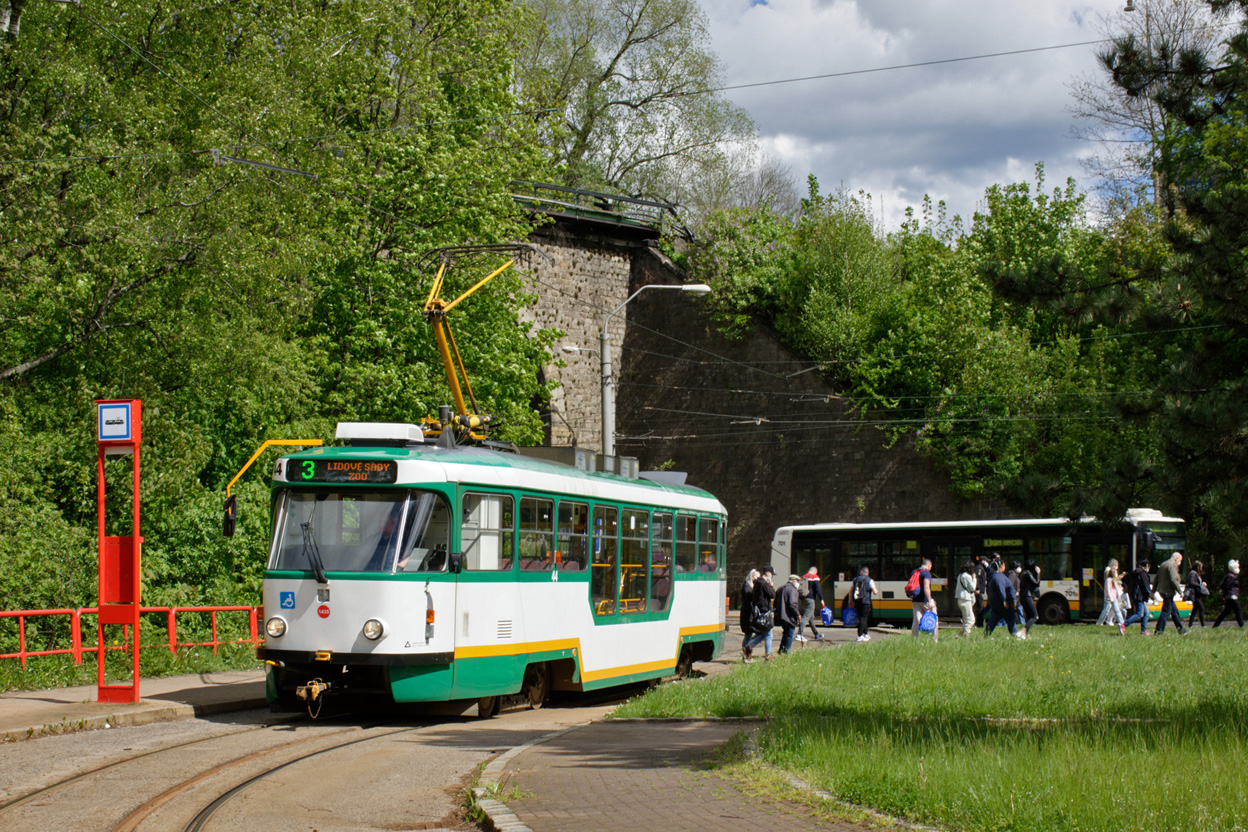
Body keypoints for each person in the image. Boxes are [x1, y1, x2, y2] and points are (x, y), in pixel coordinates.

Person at [741, 567, 776, 659]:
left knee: (765, 633)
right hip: (764, 612)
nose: (772, 576)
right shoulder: (762, 583)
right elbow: (772, 594)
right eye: (772, 574)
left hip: (759, 611)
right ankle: (753, 648)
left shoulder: (757, 583)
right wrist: (770, 586)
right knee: (767, 633)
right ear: (768, 574)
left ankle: (750, 648)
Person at [1153, 551, 1188, 635]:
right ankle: (1158, 630)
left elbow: (1156, 579)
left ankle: (1181, 629)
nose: (1179, 562)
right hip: (1168, 592)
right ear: (1176, 559)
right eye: (1180, 560)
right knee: (1166, 611)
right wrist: (1180, 591)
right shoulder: (1172, 565)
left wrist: (1153, 591)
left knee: (1174, 611)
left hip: (1162, 590)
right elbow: (1173, 579)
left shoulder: (1163, 564)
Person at [984, 559, 1020, 638]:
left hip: (995, 603)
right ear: (1001, 566)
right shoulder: (999, 577)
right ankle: (1015, 634)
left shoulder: (992, 576)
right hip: (1003, 603)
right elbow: (1001, 588)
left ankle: (986, 635)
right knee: (1011, 619)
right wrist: (1005, 600)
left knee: (994, 619)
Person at [910, 557, 938, 642]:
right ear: (929, 565)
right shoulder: (926, 573)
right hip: (924, 600)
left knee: (916, 620)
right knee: (934, 618)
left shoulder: (914, 572)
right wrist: (930, 600)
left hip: (915, 600)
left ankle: (914, 640)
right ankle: (935, 640)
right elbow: (926, 587)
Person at [1121, 559, 1153, 635]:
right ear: (1147, 566)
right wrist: (1151, 594)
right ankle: (1124, 624)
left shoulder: (1134, 572)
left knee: (1145, 612)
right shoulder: (1143, 573)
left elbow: (1124, 579)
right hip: (1140, 596)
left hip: (1134, 595)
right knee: (1139, 613)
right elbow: (1146, 585)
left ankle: (1144, 631)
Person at [1212, 559, 1243, 628]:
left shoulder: (1231, 576)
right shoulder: (1230, 576)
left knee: (1226, 612)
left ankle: (1215, 625)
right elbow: (1226, 586)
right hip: (1231, 596)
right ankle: (1242, 625)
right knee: (1238, 610)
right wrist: (1225, 595)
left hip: (1230, 596)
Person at [797, 566, 825, 642]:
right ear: (815, 572)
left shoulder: (802, 577)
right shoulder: (814, 577)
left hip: (803, 599)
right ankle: (799, 634)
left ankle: (816, 634)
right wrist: (821, 599)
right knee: (806, 616)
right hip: (810, 599)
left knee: (811, 617)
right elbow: (818, 589)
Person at [775, 574, 802, 654]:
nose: (798, 584)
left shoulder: (780, 588)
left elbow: (775, 603)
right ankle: (786, 651)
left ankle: (781, 650)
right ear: (794, 581)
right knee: (790, 634)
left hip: (781, 615)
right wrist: (798, 614)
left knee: (785, 633)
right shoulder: (793, 590)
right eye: (797, 582)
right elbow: (792, 604)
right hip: (789, 616)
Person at [852, 565, 878, 641]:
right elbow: (875, 592)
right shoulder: (870, 580)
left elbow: (851, 591)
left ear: (861, 572)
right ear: (868, 573)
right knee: (863, 618)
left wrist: (850, 601)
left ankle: (866, 634)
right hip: (866, 602)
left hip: (857, 601)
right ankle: (859, 635)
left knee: (862, 617)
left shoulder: (855, 579)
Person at [1097, 559, 1125, 629]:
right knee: (1106, 611)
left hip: (1114, 597)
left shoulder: (1113, 578)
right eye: (1115, 565)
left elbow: (1116, 586)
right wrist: (1110, 597)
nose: (1116, 567)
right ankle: (1099, 623)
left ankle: (1122, 623)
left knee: (1117, 610)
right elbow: (1108, 589)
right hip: (1109, 598)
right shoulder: (1108, 578)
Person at [739, 568, 759, 659]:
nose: (757, 579)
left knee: (749, 634)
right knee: (748, 634)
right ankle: (746, 652)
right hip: (747, 612)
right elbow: (749, 596)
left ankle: (746, 652)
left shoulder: (750, 585)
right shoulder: (747, 586)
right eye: (756, 577)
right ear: (752, 576)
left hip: (749, 611)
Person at [1018, 561, 1041, 638]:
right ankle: (1023, 631)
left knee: (1029, 616)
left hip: (1022, 597)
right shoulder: (1028, 574)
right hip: (1027, 596)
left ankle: (1026, 634)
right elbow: (1036, 583)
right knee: (1035, 616)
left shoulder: (1023, 573)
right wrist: (1038, 573)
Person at [955, 560, 977, 638]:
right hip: (966, 600)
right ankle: (966, 637)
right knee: (970, 620)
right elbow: (973, 588)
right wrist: (974, 578)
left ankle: (959, 635)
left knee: (966, 620)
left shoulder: (959, 576)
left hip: (960, 599)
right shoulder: (967, 576)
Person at [1185, 560, 1208, 628]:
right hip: (1194, 594)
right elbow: (1191, 582)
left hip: (1197, 594)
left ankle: (1190, 625)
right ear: (1197, 567)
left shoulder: (1195, 574)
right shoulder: (1193, 573)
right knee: (1201, 609)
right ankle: (1203, 625)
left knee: (1194, 610)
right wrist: (1201, 585)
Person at [1008, 561, 1024, 628]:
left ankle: (1021, 623)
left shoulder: (1014, 574)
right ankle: (1022, 623)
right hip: (1015, 596)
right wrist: (1015, 592)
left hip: (1016, 596)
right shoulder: (1012, 575)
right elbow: (1009, 585)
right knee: (1019, 610)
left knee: (1018, 610)